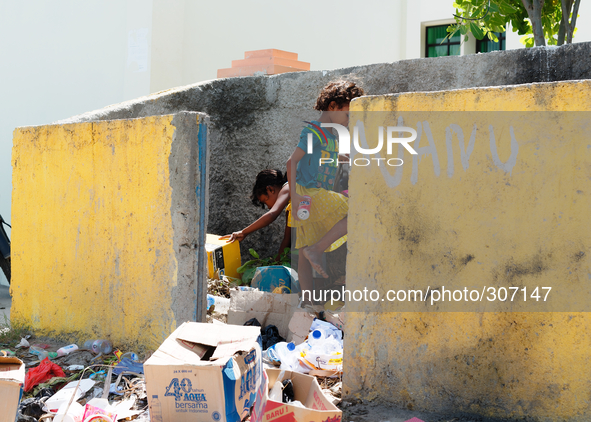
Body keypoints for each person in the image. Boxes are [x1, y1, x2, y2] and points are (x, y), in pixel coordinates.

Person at [287, 80, 365, 293]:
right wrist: (294, 198)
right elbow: (292, 161)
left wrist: (338, 157)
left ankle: (307, 301)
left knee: (304, 250)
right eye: (347, 115)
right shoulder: (314, 131)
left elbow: (317, 157)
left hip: (313, 195)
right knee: (356, 210)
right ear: (332, 107)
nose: (349, 121)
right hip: (308, 193)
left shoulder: (330, 135)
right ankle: (318, 249)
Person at [221, 169, 291, 257]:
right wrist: (276, 264)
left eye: (265, 201)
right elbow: (287, 239)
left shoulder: (288, 187)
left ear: (270, 189)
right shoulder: (291, 207)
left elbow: (272, 214)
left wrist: (244, 232)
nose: (269, 207)